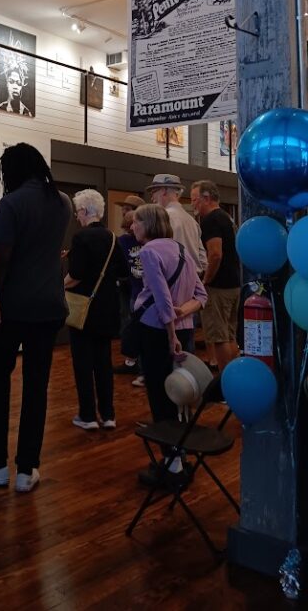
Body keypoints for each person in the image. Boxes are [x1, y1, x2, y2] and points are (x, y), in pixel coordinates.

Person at [0, 143, 71, 493]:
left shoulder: (11, 203)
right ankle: (27, 469)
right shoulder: (62, 202)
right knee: (36, 388)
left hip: (12, 309)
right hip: (50, 307)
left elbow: (2, 262)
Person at [131, 204, 207, 486]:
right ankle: (180, 456)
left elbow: (162, 298)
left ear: (148, 224)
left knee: (160, 395)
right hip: (182, 330)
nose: (132, 227)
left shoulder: (149, 252)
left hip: (158, 331)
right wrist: (182, 313)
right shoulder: (182, 250)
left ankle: (172, 463)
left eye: (137, 222)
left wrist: (170, 329)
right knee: (180, 395)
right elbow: (201, 295)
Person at [63, 189, 129, 430]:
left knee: (83, 363)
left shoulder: (81, 238)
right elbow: (123, 270)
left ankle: (88, 415)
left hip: (84, 308)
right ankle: (109, 415)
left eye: (77, 212)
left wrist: (59, 285)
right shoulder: (112, 238)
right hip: (107, 308)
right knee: (104, 363)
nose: (77, 217)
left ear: (83, 211)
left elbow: (76, 275)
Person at [190, 180, 240, 371]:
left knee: (219, 338)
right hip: (233, 284)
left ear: (206, 198)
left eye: (195, 200)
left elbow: (216, 253)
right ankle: (234, 380)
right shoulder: (227, 217)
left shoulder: (211, 220)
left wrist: (206, 280)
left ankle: (225, 384)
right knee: (229, 335)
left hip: (218, 287)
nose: (193, 205)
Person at [146, 173, 207, 275]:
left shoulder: (163, 218)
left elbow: (159, 255)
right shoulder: (192, 221)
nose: (152, 198)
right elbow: (203, 260)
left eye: (153, 192)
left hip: (171, 282)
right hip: (194, 281)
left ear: (164, 191)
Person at [113, 194, 145, 377]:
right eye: (124, 209)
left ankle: (139, 363)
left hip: (141, 288)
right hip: (129, 285)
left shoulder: (146, 239)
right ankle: (132, 360)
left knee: (136, 323)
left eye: (128, 209)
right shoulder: (122, 240)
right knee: (128, 322)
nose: (124, 212)